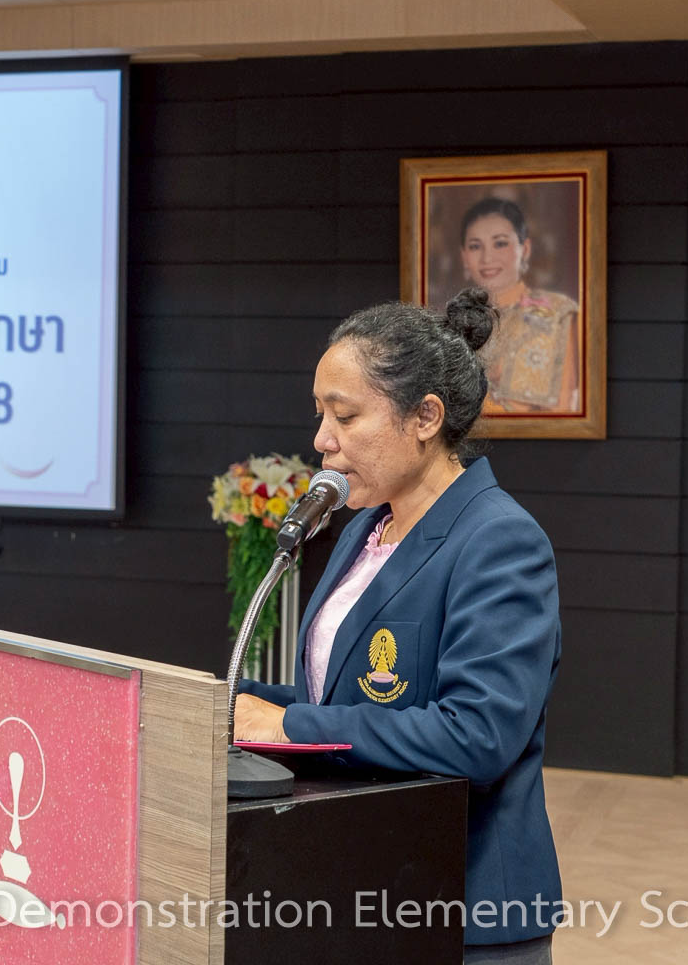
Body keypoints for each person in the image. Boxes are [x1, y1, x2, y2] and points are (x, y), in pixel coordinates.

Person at [234, 288, 563, 963]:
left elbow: (477, 735)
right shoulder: (365, 531)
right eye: (320, 414)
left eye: (346, 415)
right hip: (367, 881)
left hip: (464, 908)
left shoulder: (499, 540)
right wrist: (236, 703)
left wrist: (290, 726)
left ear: (425, 417)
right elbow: (350, 698)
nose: (322, 439)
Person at [458, 197, 580, 414]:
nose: (487, 258)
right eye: (475, 246)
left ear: (525, 249)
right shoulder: (453, 324)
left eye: (500, 243)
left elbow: (565, 414)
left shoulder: (559, 315)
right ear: (464, 257)